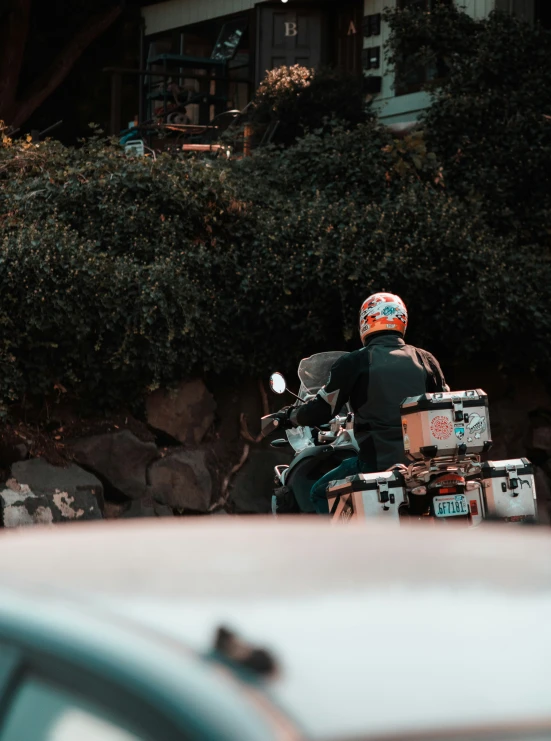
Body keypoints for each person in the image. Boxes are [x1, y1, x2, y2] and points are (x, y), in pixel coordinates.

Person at [273, 292, 449, 514]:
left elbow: (322, 410)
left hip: (376, 462)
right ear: (402, 320)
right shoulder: (425, 359)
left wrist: (291, 416)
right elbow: (444, 405)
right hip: (425, 466)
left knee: (319, 492)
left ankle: (347, 548)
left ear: (366, 321)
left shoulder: (354, 362)